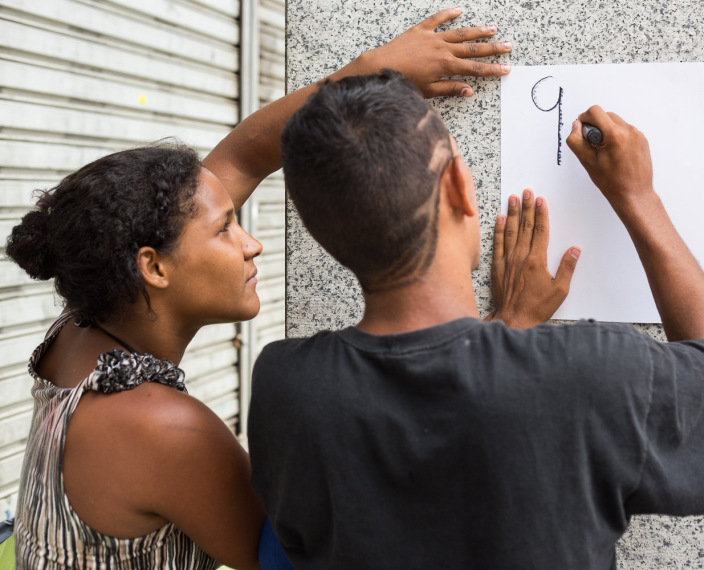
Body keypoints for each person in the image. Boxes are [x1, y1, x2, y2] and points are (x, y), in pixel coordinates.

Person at [5, 9, 528, 569]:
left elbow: (242, 155)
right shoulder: (163, 428)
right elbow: (305, 555)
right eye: (225, 227)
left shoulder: (85, 320)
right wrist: (503, 338)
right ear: (154, 266)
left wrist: (373, 72)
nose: (251, 244)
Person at [249, 70, 704, 569]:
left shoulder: (285, 388)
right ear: (460, 187)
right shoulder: (591, 372)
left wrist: (509, 327)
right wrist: (639, 198)